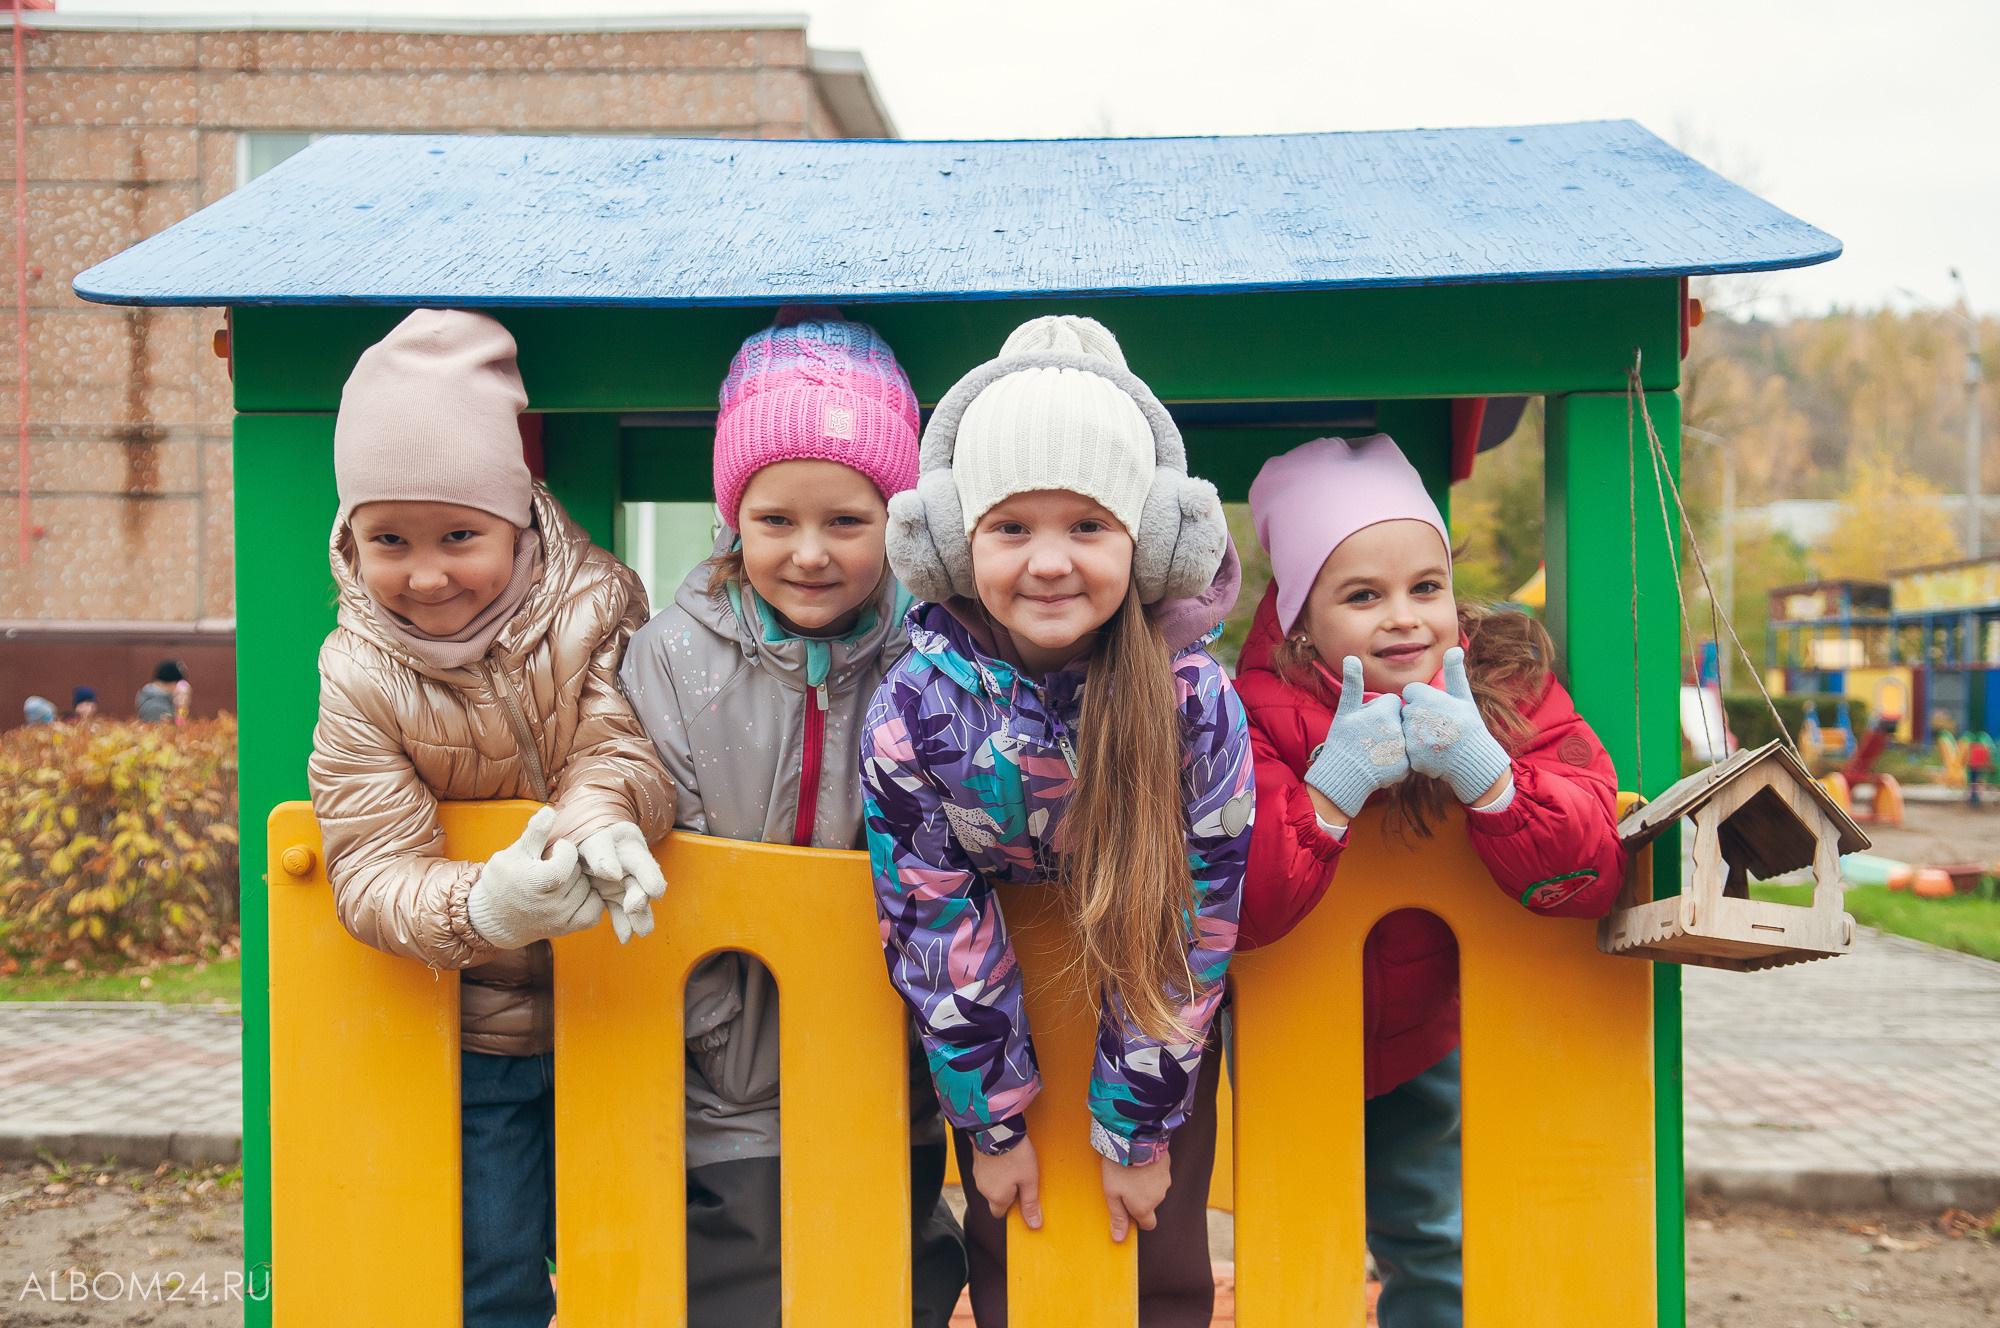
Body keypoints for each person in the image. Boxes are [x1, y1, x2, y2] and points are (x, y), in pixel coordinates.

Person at [864, 315, 1253, 1328]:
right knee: (1011, 1246)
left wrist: (1134, 1126)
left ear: (1146, 537)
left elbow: (1195, 917)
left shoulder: (1190, 701)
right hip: (991, 1031)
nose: (1048, 561)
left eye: (1086, 527)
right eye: (1010, 527)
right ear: (955, 538)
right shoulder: (915, 706)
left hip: (1154, 1024)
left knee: (1161, 1251)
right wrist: (989, 1124)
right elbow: (930, 915)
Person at [306, 308, 675, 1328]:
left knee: (637, 1263)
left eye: (458, 535)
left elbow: (626, 738)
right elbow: (371, 862)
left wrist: (603, 817)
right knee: (492, 1270)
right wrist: (488, 903)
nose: (425, 574)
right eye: (390, 539)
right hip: (480, 1033)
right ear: (353, 536)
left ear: (516, 517)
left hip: (632, 1003)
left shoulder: (598, 603)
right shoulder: (361, 671)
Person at [619, 306, 966, 1328]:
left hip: (885, 1056)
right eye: (776, 521)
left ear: (893, 521)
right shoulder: (671, 658)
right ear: (734, 520)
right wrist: (705, 1028)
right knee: (739, 1289)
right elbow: (651, 813)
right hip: (724, 1076)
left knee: (892, 1277)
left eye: (846, 521)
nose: (809, 553)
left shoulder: (928, 658)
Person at [1232, 435, 1626, 1328]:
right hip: (1289, 1024)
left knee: (1431, 1235)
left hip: (1429, 1029)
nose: (1404, 618)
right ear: (1300, 617)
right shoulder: (1251, 711)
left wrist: (1490, 775)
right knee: (1293, 1238)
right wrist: (1330, 788)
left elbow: (1592, 860)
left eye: (1426, 587)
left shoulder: (1507, 688)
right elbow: (1238, 898)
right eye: (1362, 595)